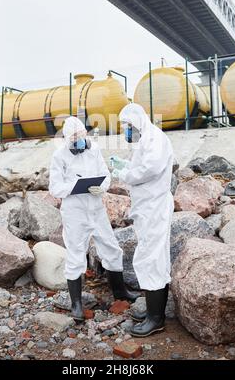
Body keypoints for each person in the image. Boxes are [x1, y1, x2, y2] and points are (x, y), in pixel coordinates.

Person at [49, 116, 138, 321]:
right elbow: (55, 187)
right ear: (66, 139)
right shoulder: (59, 156)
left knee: (111, 248)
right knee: (75, 255)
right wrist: (76, 186)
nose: (79, 141)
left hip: (96, 208)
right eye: (74, 139)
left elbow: (105, 174)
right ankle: (76, 304)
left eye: (81, 136)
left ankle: (120, 292)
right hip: (75, 212)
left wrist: (102, 187)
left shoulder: (94, 149)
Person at [110, 103, 174, 337]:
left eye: (127, 126)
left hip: (154, 207)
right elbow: (141, 166)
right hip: (148, 207)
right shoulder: (146, 139)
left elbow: (150, 169)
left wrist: (124, 173)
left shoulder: (154, 138)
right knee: (150, 256)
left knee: (151, 258)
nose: (126, 131)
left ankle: (155, 319)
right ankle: (152, 312)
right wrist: (125, 165)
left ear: (136, 123)